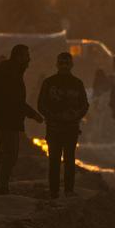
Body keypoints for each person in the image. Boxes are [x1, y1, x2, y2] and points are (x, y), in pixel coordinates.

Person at [0, 45, 43, 194]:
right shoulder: (11, 73)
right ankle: (2, 188)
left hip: (4, 117)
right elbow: (15, 100)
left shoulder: (11, 71)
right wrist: (34, 114)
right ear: (18, 57)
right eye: (26, 56)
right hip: (7, 118)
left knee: (6, 153)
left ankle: (1, 186)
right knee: (10, 154)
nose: (29, 59)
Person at [37, 52, 90, 199]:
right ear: (57, 64)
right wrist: (53, 117)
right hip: (54, 128)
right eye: (62, 63)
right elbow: (41, 104)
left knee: (69, 160)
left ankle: (68, 190)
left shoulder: (77, 84)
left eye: (67, 63)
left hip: (71, 129)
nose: (64, 66)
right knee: (54, 160)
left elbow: (85, 105)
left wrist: (74, 116)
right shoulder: (49, 83)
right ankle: (54, 191)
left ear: (71, 65)